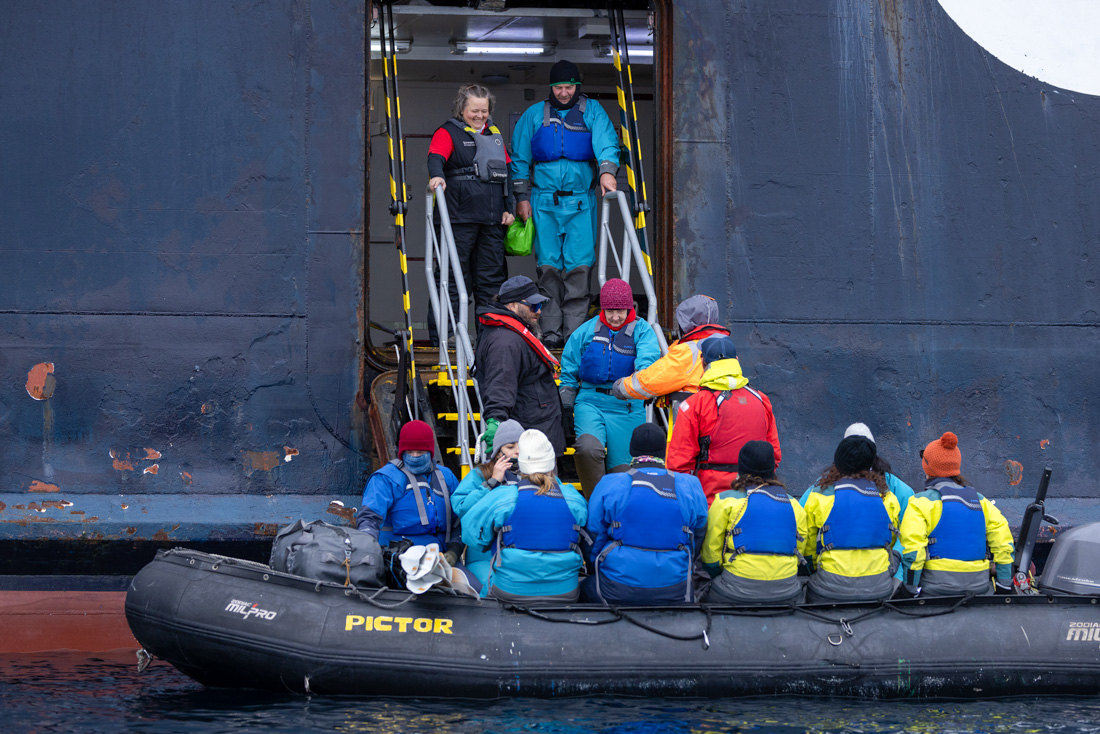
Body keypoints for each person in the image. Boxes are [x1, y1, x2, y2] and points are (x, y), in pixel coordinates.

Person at [509, 59, 621, 348]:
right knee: (547, 269)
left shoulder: (593, 112)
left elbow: (607, 143)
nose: (563, 92)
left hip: (581, 203)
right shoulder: (534, 115)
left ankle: (574, 335)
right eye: (558, 87)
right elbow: (519, 159)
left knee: (579, 269)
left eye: (568, 86)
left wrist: (607, 171)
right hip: (543, 202)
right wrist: (521, 198)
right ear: (550, 87)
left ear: (577, 86)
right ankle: (549, 332)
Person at [426, 83, 516, 345]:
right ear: (461, 109)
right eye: (474, 111)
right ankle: (448, 335)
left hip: (491, 221)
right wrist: (437, 177)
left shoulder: (495, 134)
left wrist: (509, 208)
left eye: (484, 111)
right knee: (453, 278)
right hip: (457, 218)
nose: (480, 116)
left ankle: (490, 338)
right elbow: (435, 158)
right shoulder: (447, 132)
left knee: (491, 282)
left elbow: (506, 175)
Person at [582, 423, 708, 605]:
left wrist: (597, 566)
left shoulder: (610, 483)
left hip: (614, 589)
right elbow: (698, 536)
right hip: (676, 589)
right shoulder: (690, 484)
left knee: (583, 588)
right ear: (663, 451)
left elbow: (593, 539)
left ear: (631, 450)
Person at [559, 278, 661, 498]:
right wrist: (567, 401)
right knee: (587, 449)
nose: (615, 317)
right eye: (610, 311)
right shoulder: (586, 331)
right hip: (590, 402)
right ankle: (595, 504)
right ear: (602, 309)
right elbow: (568, 367)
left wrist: (638, 382)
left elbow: (648, 361)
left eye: (620, 311)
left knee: (623, 472)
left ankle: (615, 510)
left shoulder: (643, 331)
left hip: (627, 406)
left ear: (630, 307)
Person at [461, 429, 588, 602]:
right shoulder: (573, 497)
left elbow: (471, 536)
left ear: (522, 464)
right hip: (567, 592)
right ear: (551, 462)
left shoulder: (503, 496)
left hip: (510, 591)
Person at [666, 337, 781, 505]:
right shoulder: (762, 400)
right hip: (756, 499)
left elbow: (678, 465)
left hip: (710, 502)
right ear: (736, 361)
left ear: (702, 362)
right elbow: (775, 455)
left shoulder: (694, 405)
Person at [899, 431, 1015, 596]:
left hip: (936, 586)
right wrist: (1004, 585)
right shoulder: (981, 502)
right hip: (979, 585)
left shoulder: (920, 502)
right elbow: (1004, 544)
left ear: (927, 466)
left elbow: (913, 551)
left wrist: (910, 590)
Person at [799, 422, 915, 581]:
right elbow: (906, 538)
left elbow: (803, 533)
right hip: (881, 580)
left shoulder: (819, 491)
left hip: (832, 580)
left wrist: (811, 570)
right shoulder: (892, 496)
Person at [702, 441, 807, 605]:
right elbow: (800, 548)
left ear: (741, 468)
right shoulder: (794, 505)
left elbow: (710, 556)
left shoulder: (724, 500)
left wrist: (719, 572)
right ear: (772, 469)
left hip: (734, 590)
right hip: (787, 592)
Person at [475, 275, 565, 456]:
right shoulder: (505, 341)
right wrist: (496, 421)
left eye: (540, 305)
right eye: (533, 306)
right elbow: (501, 383)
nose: (538, 311)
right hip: (528, 440)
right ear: (512, 305)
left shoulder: (511, 333)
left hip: (536, 432)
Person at [355, 420, 462, 558]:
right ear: (402, 452)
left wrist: (454, 551)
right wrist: (367, 552)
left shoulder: (446, 477)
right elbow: (369, 519)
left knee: (471, 581)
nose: (415, 456)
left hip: (441, 557)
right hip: (398, 558)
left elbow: (460, 520)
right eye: (410, 452)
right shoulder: (385, 479)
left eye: (420, 451)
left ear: (430, 452)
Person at [611, 294, 730, 404]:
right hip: (716, 416)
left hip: (692, 420)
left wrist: (622, 386)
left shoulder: (687, 351)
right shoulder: (726, 346)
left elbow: (651, 381)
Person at [451, 419, 524, 589]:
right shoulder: (480, 474)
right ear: (498, 453)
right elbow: (460, 507)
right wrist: (492, 482)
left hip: (520, 554)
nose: (518, 451)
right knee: (493, 588)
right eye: (510, 447)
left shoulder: (533, 474)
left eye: (521, 445)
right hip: (483, 555)